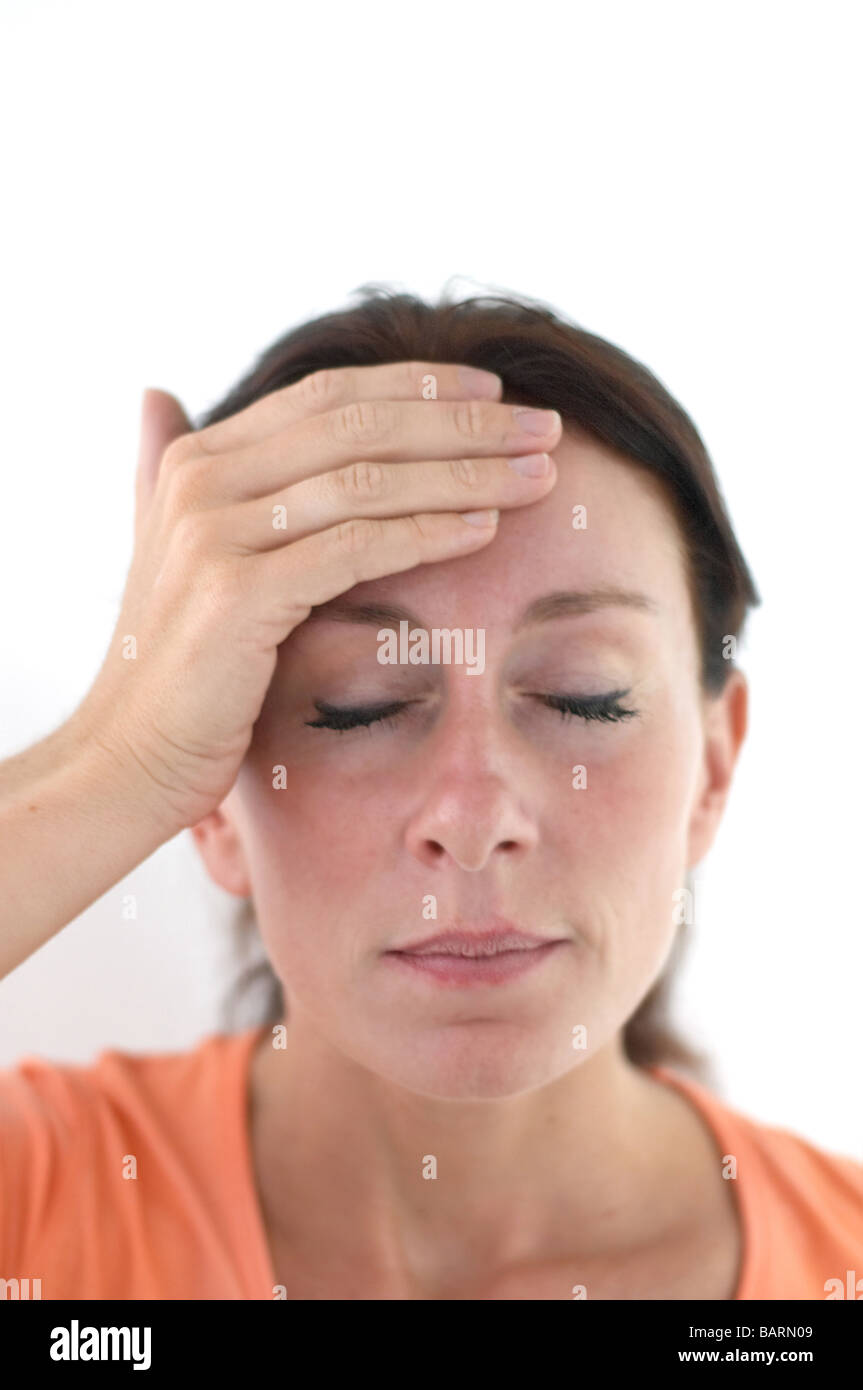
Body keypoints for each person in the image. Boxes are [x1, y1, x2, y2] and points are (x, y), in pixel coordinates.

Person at [1, 287, 860, 1301]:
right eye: (358, 707)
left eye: (583, 696)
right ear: (215, 798)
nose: (471, 817)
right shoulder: (40, 1203)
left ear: (712, 766)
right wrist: (118, 754)